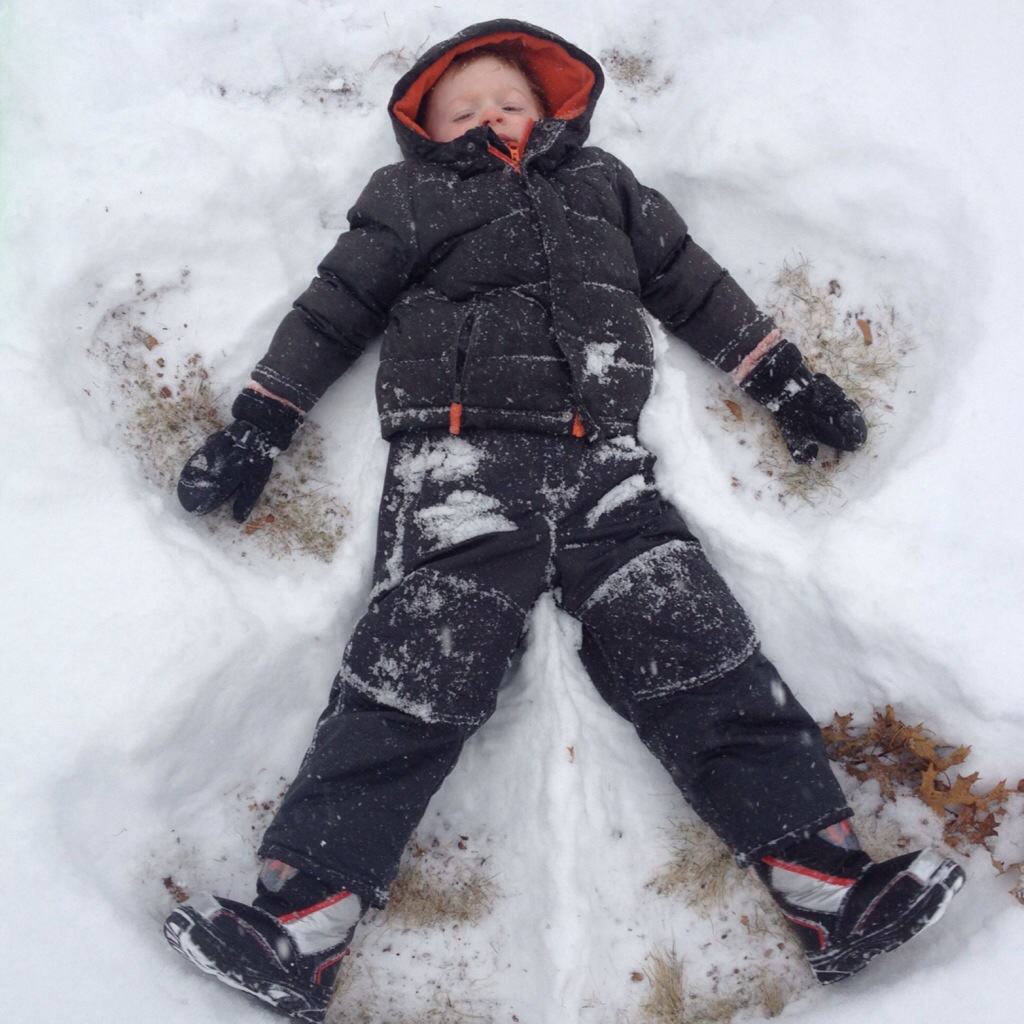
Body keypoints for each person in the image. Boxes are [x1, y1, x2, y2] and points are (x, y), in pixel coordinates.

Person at [163, 19, 964, 1023]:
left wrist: (784, 380)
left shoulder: (606, 186)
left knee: (699, 647)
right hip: (460, 470)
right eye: (462, 109)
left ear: (552, 111)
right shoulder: (407, 199)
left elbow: (693, 283)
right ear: (423, 131)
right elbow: (331, 311)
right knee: (414, 674)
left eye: (508, 101)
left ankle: (828, 886)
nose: (488, 117)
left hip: (606, 470)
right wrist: (258, 425)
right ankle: (302, 920)